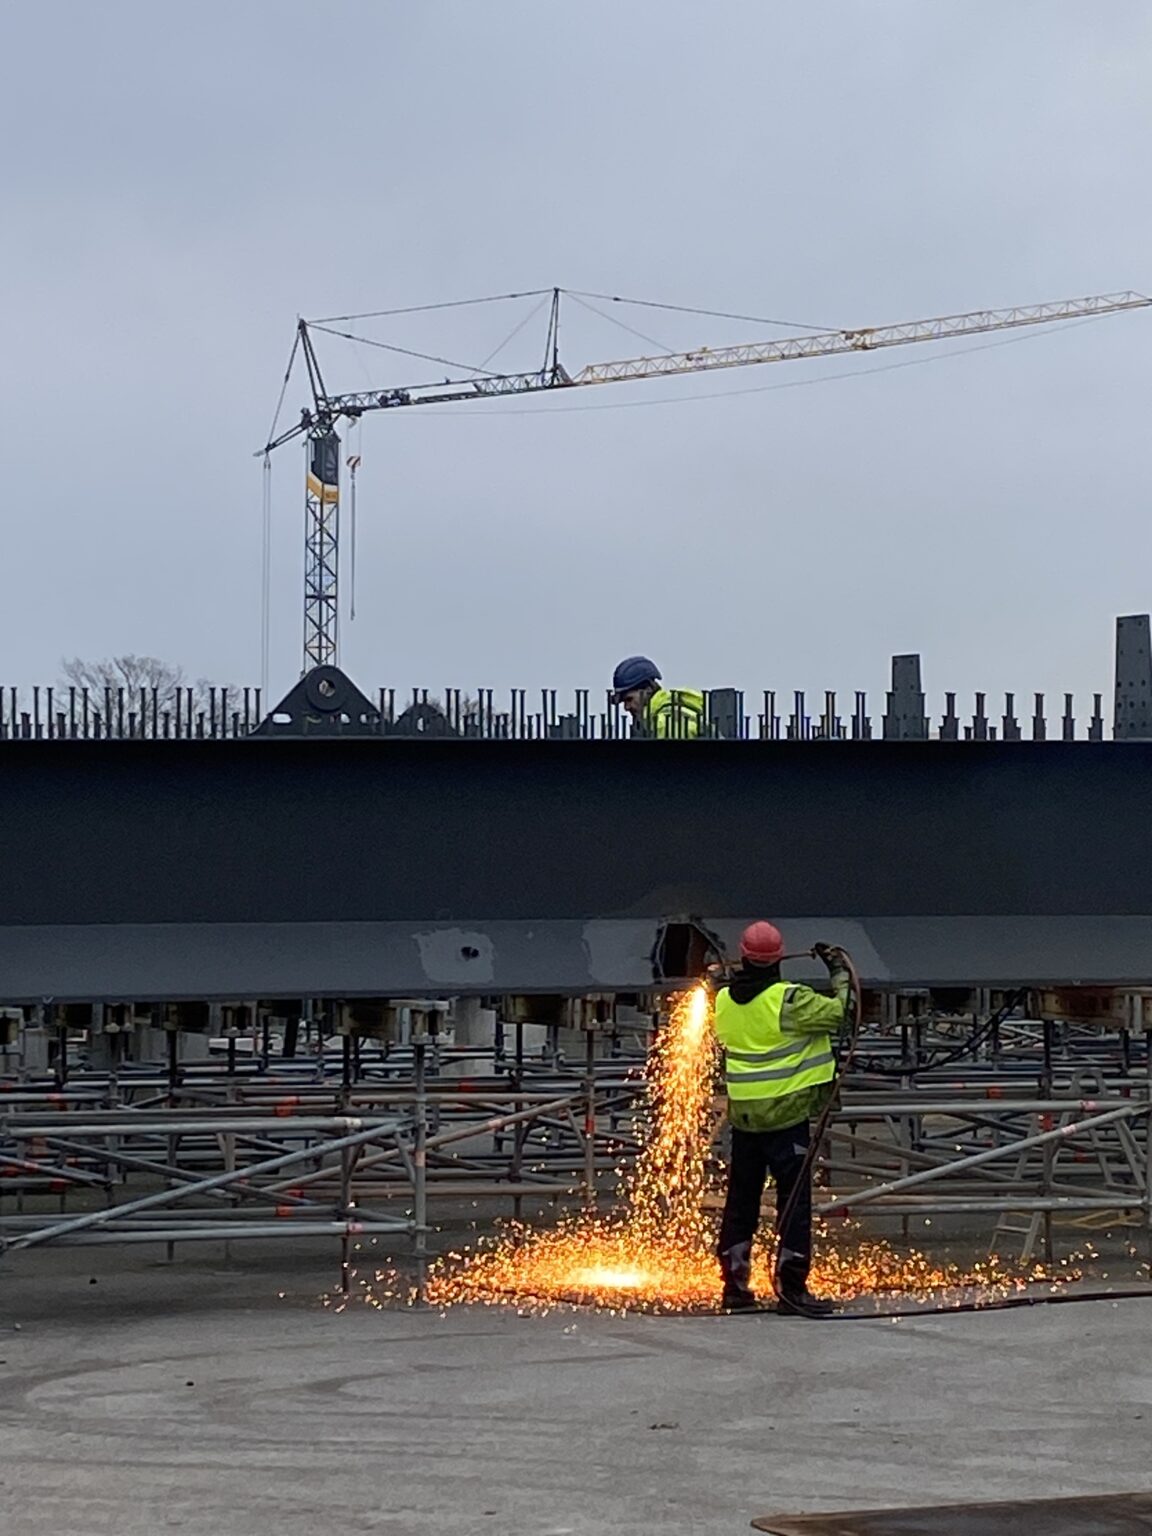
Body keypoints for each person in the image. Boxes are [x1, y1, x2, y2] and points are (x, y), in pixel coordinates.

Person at [710, 920, 854, 1317]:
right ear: (777, 959)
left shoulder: (722, 1000)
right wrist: (838, 971)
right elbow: (842, 1012)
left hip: (744, 1121)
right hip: (786, 1118)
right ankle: (792, 1289)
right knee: (793, 1204)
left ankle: (735, 1288)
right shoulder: (790, 1001)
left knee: (741, 1202)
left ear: (743, 956)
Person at [610, 656, 705, 739]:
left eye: (629, 699)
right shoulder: (667, 712)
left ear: (648, 689)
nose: (626, 707)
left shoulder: (664, 724)